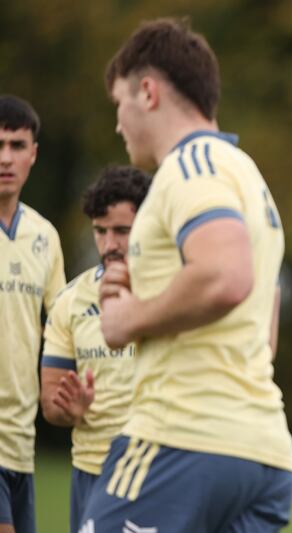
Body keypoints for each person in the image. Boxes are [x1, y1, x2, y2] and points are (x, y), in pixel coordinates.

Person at [81, 18, 292, 532]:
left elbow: (225, 276)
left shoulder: (190, 166)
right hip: (263, 451)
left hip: (184, 440)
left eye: (119, 104)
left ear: (148, 92)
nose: (117, 124)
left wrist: (130, 317)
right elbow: (263, 326)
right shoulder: (245, 173)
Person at [39, 166, 149, 533]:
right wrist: (70, 408)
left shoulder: (175, 294)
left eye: (122, 231)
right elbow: (51, 401)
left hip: (159, 467)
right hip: (92, 470)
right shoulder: (70, 302)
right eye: (100, 232)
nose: (109, 244)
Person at [0, 95, 66, 533]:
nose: (5, 158)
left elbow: (64, 332)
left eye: (17, 145)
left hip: (22, 443)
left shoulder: (45, 236)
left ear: (34, 154)